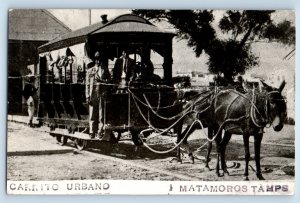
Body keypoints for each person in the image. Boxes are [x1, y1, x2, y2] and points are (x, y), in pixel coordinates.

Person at [85, 51, 111, 139]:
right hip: (93, 94)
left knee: (101, 114)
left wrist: (103, 82)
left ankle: (100, 131)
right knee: (92, 114)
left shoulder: (105, 69)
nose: (98, 61)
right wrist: (87, 96)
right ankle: (92, 131)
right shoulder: (90, 70)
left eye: (99, 59)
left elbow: (109, 80)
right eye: (96, 59)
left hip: (102, 94)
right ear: (94, 60)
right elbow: (87, 85)